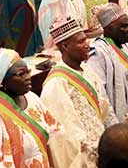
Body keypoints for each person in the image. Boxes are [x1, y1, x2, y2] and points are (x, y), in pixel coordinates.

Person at [41, 17, 117, 168]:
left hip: (101, 152)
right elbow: (65, 137)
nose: (87, 45)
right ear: (66, 46)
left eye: (86, 40)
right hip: (82, 158)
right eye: (81, 42)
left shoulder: (89, 72)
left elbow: (105, 110)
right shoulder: (56, 84)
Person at [0, 49, 62, 168]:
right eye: (20, 74)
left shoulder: (31, 98)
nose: (27, 77)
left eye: (27, 72)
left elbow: (49, 142)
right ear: (2, 81)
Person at [87, 4, 128, 121]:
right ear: (109, 28)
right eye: (124, 26)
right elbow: (101, 95)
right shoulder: (98, 53)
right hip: (118, 117)